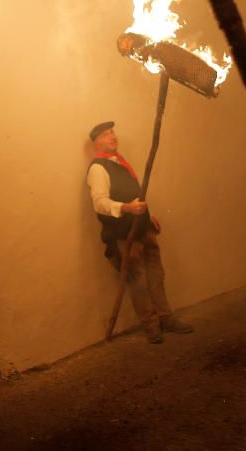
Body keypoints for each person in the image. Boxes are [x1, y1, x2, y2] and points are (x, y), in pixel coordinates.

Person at [86, 122, 193, 344]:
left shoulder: (121, 163)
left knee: (156, 275)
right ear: (97, 142)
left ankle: (166, 317)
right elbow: (100, 203)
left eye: (113, 132)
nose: (112, 137)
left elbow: (135, 196)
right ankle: (151, 325)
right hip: (125, 234)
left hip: (143, 228)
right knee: (139, 281)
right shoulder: (98, 168)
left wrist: (146, 216)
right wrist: (127, 208)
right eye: (106, 135)